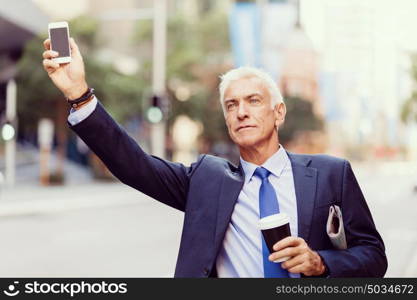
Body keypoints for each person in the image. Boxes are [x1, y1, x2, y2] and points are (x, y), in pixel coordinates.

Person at [42, 38, 387, 278]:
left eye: (253, 100)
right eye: (232, 105)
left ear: (278, 112)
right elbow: (133, 165)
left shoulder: (331, 174)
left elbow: (373, 256)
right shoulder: (207, 180)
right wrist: (79, 95)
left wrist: (320, 264)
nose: (242, 112)